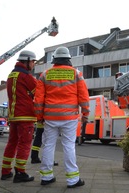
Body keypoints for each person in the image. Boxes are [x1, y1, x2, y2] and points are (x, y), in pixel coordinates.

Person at [34, 46, 90, 188]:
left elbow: (39, 99)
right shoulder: (76, 74)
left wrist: (39, 116)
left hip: (50, 117)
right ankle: (72, 180)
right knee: (69, 146)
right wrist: (85, 113)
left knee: (48, 145)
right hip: (69, 117)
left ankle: (46, 177)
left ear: (54, 59)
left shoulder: (45, 75)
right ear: (68, 59)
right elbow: (83, 96)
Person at [1, 50, 37, 183]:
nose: (33, 64)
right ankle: (20, 173)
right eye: (33, 61)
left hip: (13, 115)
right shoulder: (26, 76)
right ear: (27, 61)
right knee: (25, 143)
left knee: (12, 143)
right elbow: (37, 93)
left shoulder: (11, 75)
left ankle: (5, 171)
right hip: (26, 116)